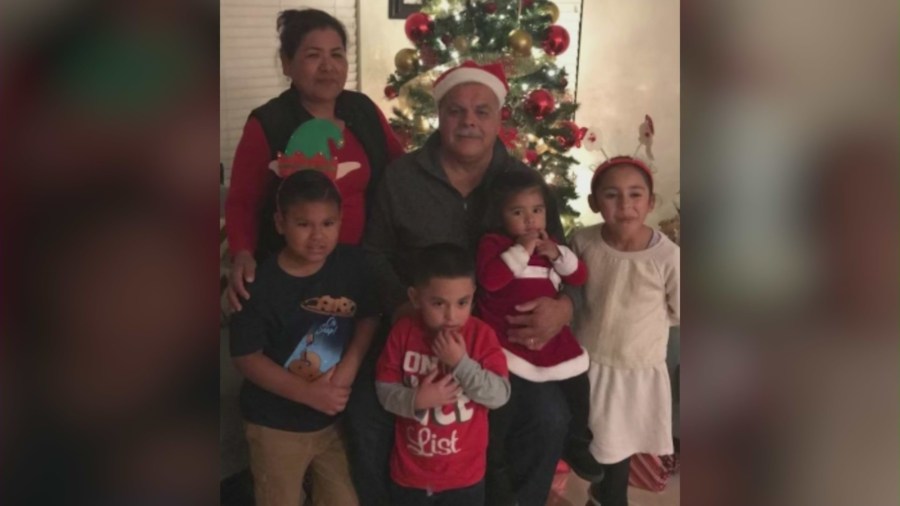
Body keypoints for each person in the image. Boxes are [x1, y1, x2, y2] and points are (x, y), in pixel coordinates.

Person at [359, 60, 575, 506]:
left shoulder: (523, 183)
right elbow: (373, 255)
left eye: (482, 110)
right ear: (439, 115)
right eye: (456, 111)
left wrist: (566, 306)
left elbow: (563, 255)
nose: (469, 121)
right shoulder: (402, 179)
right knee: (366, 413)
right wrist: (404, 305)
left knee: (549, 417)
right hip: (417, 329)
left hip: (507, 341)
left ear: (500, 118)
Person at [225, 8, 404, 311]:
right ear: (286, 63)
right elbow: (244, 201)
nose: (328, 67)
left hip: (365, 266)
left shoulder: (363, 110)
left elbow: (401, 171)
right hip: (296, 272)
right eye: (312, 56)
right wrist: (242, 253)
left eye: (336, 55)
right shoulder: (269, 123)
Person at [229, 170, 380, 506]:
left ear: (341, 221)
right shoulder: (258, 284)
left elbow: (369, 315)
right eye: (303, 224)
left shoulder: (353, 265)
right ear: (280, 223)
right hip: (276, 426)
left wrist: (350, 367)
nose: (317, 236)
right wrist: (309, 394)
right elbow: (245, 356)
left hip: (333, 424)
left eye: (328, 223)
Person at [475, 169, 605, 492]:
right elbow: (491, 281)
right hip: (509, 337)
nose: (530, 220)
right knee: (508, 408)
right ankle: (496, 469)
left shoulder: (551, 244)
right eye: (518, 213)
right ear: (501, 215)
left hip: (552, 336)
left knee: (578, 381)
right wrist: (521, 250)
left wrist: (558, 255)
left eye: (537, 211)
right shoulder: (494, 243)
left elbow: (578, 276)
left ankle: (577, 441)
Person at [567, 156, 680, 506]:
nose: (625, 205)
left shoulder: (667, 257)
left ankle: (610, 497)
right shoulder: (583, 242)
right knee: (595, 443)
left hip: (633, 370)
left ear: (650, 202)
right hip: (587, 361)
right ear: (595, 203)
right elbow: (570, 291)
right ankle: (602, 493)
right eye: (612, 195)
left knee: (617, 448)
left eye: (635, 195)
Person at [375, 244, 510, 505]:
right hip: (410, 476)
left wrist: (461, 363)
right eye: (438, 303)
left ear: (473, 296)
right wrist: (416, 400)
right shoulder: (403, 333)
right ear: (415, 298)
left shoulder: (481, 336)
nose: (451, 316)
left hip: (464, 479)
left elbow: (499, 396)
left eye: (462, 303)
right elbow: (384, 390)